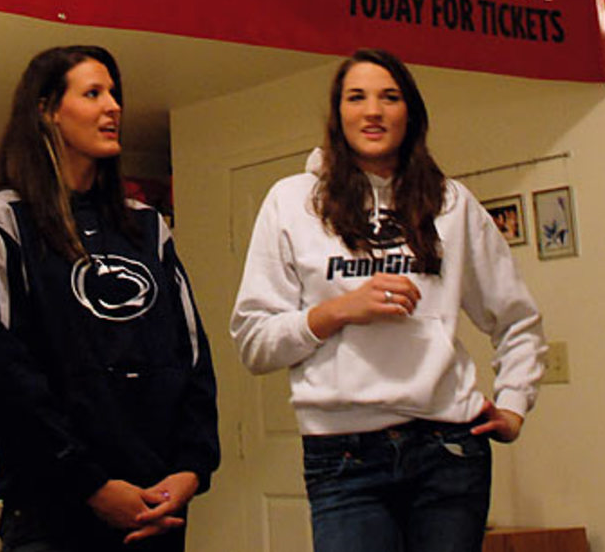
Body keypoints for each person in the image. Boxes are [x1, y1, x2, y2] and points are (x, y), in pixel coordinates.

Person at [231, 48, 546, 552]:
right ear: (338, 115)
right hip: (343, 458)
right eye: (356, 97)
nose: (372, 111)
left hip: (449, 449)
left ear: (410, 113)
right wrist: (336, 311)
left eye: (389, 97)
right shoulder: (291, 202)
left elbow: (517, 319)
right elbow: (253, 343)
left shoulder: (451, 202)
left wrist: (513, 402)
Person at [0, 45, 220, 551]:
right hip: (53, 516)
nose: (113, 107)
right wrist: (89, 485)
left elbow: (190, 357)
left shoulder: (146, 225)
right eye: (93, 93)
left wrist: (191, 468)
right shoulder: (2, 218)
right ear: (48, 110)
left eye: (114, 94)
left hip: (154, 512)